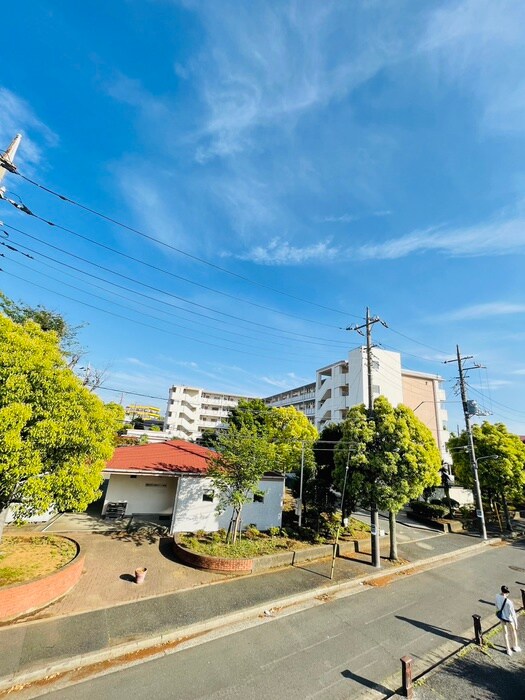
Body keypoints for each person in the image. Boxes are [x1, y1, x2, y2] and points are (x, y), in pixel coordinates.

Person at [495, 585, 521, 655]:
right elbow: (513, 614)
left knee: (505, 633)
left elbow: (496, 605)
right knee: (513, 631)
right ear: (507, 593)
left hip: (502, 617)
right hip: (509, 618)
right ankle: (515, 646)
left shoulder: (497, 596)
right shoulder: (509, 602)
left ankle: (508, 649)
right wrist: (516, 623)